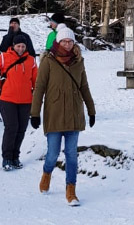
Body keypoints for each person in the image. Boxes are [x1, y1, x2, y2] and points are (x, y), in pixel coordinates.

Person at [30, 25, 95, 206]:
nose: (67, 44)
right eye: (64, 41)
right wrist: (35, 113)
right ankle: (47, 173)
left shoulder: (78, 61)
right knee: (53, 153)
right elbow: (40, 88)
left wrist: (91, 110)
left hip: (74, 114)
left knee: (71, 154)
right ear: (58, 42)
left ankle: (71, 191)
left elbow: (84, 87)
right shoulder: (48, 61)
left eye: (70, 41)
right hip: (54, 114)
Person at [0, 34, 38, 170]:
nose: (21, 49)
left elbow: (35, 80)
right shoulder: (4, 57)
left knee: (21, 129)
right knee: (11, 128)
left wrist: (36, 94)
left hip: (26, 100)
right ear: (13, 46)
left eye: (23, 46)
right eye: (18, 46)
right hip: (7, 99)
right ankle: (7, 158)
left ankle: (15, 156)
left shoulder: (31, 60)